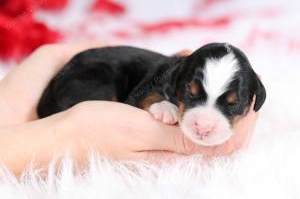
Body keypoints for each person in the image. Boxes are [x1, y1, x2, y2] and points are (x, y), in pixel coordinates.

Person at [0, 43, 258, 176]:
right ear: (178, 83)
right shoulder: (167, 79)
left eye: (231, 103)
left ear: (254, 99)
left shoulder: (179, 75)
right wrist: (156, 103)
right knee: (102, 82)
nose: (204, 122)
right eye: (192, 98)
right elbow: (143, 96)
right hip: (94, 72)